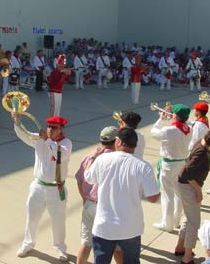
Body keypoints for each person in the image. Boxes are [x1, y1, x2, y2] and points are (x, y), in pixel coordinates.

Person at [85, 127, 160, 264]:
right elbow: (153, 197)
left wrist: (92, 157)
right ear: (135, 145)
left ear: (118, 142)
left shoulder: (102, 159)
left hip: (104, 227)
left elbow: (89, 178)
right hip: (130, 228)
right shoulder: (144, 166)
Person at [13, 115, 72, 261]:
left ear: (61, 129)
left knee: (58, 220)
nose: (50, 129)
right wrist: (17, 121)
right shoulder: (40, 139)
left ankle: (60, 247)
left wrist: (47, 140)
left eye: (54, 127)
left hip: (56, 188)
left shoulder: (66, 143)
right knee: (32, 217)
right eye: (49, 127)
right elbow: (24, 134)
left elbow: (60, 156)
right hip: (38, 186)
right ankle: (28, 243)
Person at [174, 126, 210, 264]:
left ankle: (180, 247)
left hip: (185, 184)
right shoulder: (201, 152)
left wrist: (206, 168)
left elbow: (190, 163)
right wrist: (198, 190)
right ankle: (187, 257)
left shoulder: (201, 142)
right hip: (188, 186)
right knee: (194, 222)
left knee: (188, 217)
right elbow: (186, 173)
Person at [75, 127, 121, 264]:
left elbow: (79, 180)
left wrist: (85, 198)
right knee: (116, 246)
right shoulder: (117, 160)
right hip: (106, 208)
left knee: (86, 242)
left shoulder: (90, 155)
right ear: (117, 141)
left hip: (89, 204)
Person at [151, 104, 191, 232]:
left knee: (167, 194)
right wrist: (171, 118)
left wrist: (161, 120)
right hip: (182, 164)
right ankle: (176, 220)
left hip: (169, 165)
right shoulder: (188, 128)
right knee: (179, 194)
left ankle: (167, 224)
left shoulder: (170, 130)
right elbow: (180, 123)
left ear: (175, 116)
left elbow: (154, 133)